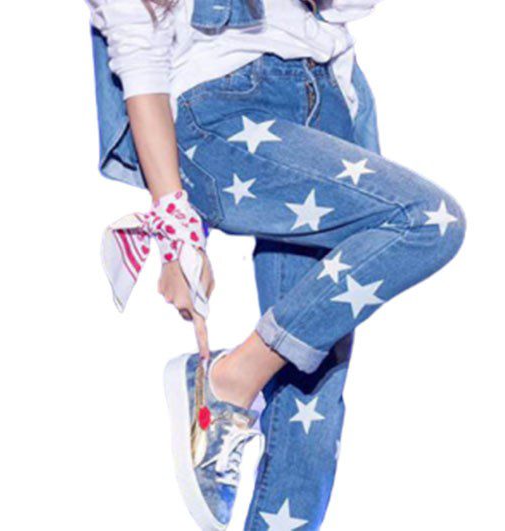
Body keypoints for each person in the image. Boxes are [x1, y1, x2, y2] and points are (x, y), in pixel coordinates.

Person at [87, 0, 466, 528]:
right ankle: (232, 377)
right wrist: (176, 228)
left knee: (313, 403)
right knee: (428, 220)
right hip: (222, 117)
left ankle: (234, 379)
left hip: (329, 110)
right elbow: (139, 58)